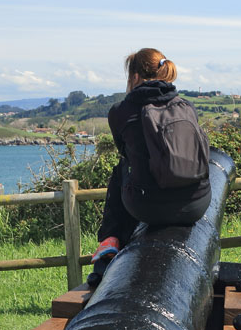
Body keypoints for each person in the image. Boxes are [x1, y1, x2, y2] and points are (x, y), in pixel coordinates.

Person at [89, 48, 211, 285]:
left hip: (149, 209)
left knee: (121, 170)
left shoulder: (120, 112)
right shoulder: (186, 106)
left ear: (134, 76)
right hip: (197, 204)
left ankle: (110, 241)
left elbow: (127, 155)